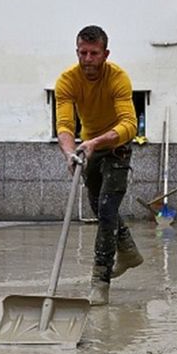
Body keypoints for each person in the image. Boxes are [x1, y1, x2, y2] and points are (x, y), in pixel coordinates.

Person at [55, 25, 143, 305]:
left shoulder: (118, 78)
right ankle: (128, 250)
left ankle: (100, 281)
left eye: (94, 53)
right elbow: (65, 125)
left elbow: (129, 124)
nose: (88, 59)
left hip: (116, 147)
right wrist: (71, 153)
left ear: (105, 54)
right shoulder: (67, 81)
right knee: (98, 204)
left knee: (106, 209)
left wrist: (95, 142)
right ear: (77, 52)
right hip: (87, 149)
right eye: (83, 52)